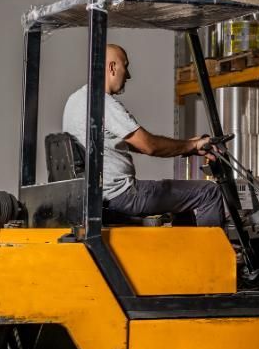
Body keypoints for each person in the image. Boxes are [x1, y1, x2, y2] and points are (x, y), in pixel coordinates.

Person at [62, 43, 225, 227]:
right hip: (123, 195)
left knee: (183, 198)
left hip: (101, 196)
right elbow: (149, 146)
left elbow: (114, 142)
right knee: (209, 193)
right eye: (126, 66)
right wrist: (192, 146)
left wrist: (188, 144)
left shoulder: (75, 100)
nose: (129, 75)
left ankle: (183, 253)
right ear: (112, 67)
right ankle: (209, 256)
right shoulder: (103, 103)